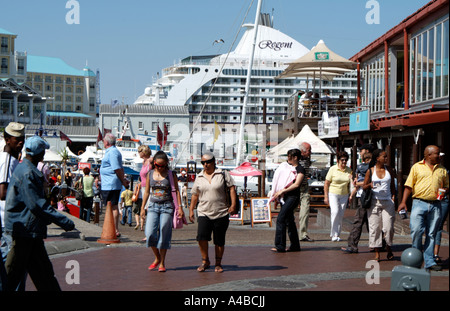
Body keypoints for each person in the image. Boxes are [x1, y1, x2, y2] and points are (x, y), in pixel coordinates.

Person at [4, 135, 75, 291]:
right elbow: (37, 205)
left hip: (30, 232)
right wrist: (63, 221)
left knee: (43, 276)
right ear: (39, 154)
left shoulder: (25, 170)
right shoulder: (27, 173)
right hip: (25, 231)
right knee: (11, 277)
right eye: (42, 152)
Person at [399, 145, 449, 271]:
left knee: (431, 233)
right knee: (416, 231)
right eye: (436, 154)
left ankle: (429, 261)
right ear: (428, 155)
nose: (439, 156)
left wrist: (444, 191)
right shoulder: (417, 167)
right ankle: (415, 258)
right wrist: (403, 202)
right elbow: (409, 186)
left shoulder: (442, 169)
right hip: (419, 203)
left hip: (436, 204)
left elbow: (447, 186)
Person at [189, 152, 237, 272]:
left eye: (208, 162)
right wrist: (191, 210)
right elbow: (195, 195)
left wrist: (233, 204)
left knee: (219, 240)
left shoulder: (222, 173)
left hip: (221, 211)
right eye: (203, 162)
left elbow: (232, 189)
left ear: (214, 162)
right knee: (201, 237)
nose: (205, 165)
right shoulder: (199, 177)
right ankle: (205, 261)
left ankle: (218, 263)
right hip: (203, 212)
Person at [141, 151, 183, 272]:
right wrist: (143, 208)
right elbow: (147, 192)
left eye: (163, 165)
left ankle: (162, 262)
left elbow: (177, 191)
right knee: (149, 234)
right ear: (154, 163)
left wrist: (179, 207)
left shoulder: (171, 174)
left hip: (167, 206)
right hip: (153, 206)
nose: (160, 168)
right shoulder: (149, 174)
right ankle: (157, 257)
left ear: (166, 164)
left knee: (164, 233)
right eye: (158, 165)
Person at [0, 122, 25, 291]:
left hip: (8, 221)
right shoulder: (7, 159)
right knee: (13, 267)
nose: (21, 142)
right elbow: (3, 191)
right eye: (17, 139)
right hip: (8, 221)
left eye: (23, 139)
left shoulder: (11, 159)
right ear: (7, 140)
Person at [363, 149, 396, 262]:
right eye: (384, 157)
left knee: (388, 227)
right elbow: (364, 186)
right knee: (375, 228)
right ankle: (377, 252)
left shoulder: (389, 170)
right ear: (377, 158)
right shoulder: (371, 171)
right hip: (374, 202)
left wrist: (393, 197)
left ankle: (388, 246)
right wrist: (370, 185)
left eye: (386, 157)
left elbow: (392, 185)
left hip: (387, 202)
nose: (386, 159)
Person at [270, 147, 305, 253]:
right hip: (285, 197)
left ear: (295, 158)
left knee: (281, 219)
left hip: (293, 197)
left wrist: (282, 190)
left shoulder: (300, 169)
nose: (288, 159)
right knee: (289, 221)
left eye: (290, 157)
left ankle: (280, 246)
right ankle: (295, 246)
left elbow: (297, 184)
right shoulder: (287, 167)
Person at [100, 133, 129, 237]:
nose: (103, 142)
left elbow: (117, 168)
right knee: (111, 206)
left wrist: (122, 180)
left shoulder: (112, 152)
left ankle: (114, 229)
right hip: (108, 183)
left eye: (103, 141)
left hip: (110, 184)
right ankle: (111, 228)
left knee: (113, 206)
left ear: (107, 142)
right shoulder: (111, 152)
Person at [342, 151, 372, 254]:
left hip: (364, 197)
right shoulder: (373, 168)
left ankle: (352, 245)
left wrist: (357, 183)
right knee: (370, 221)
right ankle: (379, 243)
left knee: (358, 221)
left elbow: (361, 182)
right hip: (369, 196)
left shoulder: (363, 168)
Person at [324, 151, 353, 241]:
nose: (344, 162)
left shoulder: (349, 170)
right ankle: (333, 234)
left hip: (344, 195)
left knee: (340, 215)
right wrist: (326, 196)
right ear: (338, 160)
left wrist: (351, 195)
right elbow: (326, 183)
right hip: (333, 193)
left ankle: (337, 234)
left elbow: (351, 184)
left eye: (346, 160)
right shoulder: (333, 169)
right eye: (342, 160)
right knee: (335, 212)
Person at [434, 153, 449, 264]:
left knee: (438, 226)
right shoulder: (423, 168)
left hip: (443, 200)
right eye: (438, 157)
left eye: (441, 157)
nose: (439, 159)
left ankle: (435, 254)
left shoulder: (445, 171)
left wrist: (444, 190)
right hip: (427, 200)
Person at [298, 142, 313, 242]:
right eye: (309, 150)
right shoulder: (296, 159)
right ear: (303, 151)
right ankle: (286, 232)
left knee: (305, 211)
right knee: (289, 212)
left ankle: (303, 234)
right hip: (295, 188)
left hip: (305, 188)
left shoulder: (308, 159)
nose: (310, 152)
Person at [138, 144, 152, 228]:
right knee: (145, 208)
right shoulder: (143, 162)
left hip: (149, 188)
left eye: (140, 151)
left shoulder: (150, 160)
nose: (138, 153)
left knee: (149, 208)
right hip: (143, 187)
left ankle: (150, 230)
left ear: (144, 152)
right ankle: (148, 229)